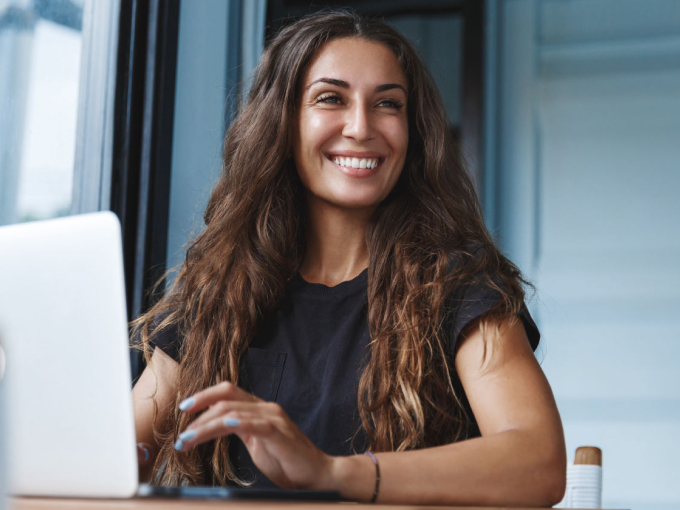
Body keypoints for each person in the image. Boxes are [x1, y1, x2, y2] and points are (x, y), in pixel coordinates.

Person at [131, 9, 566, 506]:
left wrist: (330, 471)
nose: (361, 127)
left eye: (387, 104)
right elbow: (120, 450)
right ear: (284, 122)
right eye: (331, 98)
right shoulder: (220, 287)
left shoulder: (460, 283)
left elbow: (538, 463)